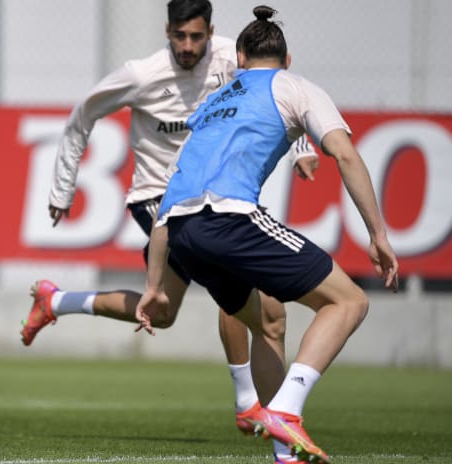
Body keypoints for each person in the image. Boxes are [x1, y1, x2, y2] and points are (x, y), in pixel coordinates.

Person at [20, 2, 316, 461]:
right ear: (167, 31)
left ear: (211, 32)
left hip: (218, 194)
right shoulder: (142, 74)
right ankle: (249, 406)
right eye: (179, 36)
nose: (187, 46)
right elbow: (83, 115)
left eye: (196, 37)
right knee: (253, 296)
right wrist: (63, 188)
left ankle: (56, 301)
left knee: (161, 313)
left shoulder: (231, 59)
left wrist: (299, 149)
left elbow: (272, 95)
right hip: (159, 199)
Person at [135, 6, 398, 464]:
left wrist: (155, 286)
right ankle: (288, 413)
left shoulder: (213, 104)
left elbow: (171, 197)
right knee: (350, 301)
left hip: (182, 232)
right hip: (230, 220)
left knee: (270, 321)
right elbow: (346, 156)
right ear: (287, 58)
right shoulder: (294, 86)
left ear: (239, 57)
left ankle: (284, 452)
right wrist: (377, 234)